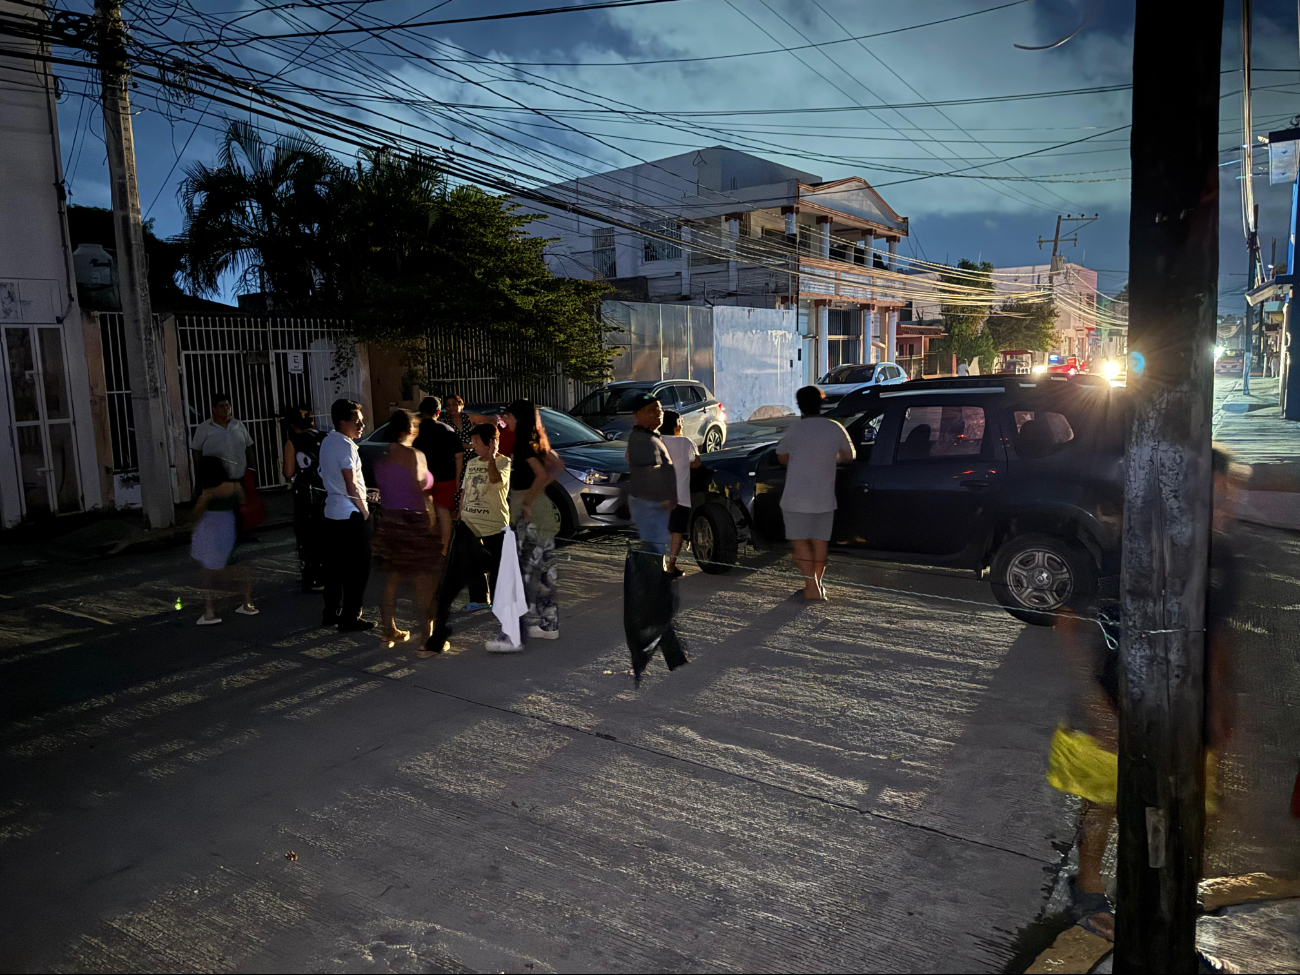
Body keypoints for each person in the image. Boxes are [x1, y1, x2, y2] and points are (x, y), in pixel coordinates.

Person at [432, 423, 516, 652]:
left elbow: (497, 483)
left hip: (494, 524)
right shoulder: (470, 463)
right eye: (474, 442)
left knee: (499, 566)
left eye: (478, 442)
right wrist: (460, 511)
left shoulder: (504, 462)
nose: (474, 446)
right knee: (467, 562)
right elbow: (467, 489)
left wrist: (491, 457)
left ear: (491, 442)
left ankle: (503, 606)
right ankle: (479, 598)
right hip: (469, 521)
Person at [372, 409, 444, 653]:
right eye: (415, 426)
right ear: (408, 430)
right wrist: (432, 523)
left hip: (390, 522)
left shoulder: (381, 461)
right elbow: (419, 490)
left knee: (392, 578)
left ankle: (388, 630)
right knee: (425, 580)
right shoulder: (415, 455)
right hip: (415, 520)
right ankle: (427, 640)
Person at [776, 386, 854, 601]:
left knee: (800, 540)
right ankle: (817, 585)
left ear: (799, 405)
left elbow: (781, 456)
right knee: (820, 541)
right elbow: (849, 455)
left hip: (795, 496)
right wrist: (829, 458)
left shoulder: (795, 430)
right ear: (822, 403)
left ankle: (812, 587)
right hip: (824, 496)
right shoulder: (834, 427)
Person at [505, 400, 564, 643]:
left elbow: (541, 473)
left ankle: (524, 625)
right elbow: (557, 466)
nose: (504, 420)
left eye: (507, 416)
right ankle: (549, 624)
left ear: (517, 417)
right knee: (545, 570)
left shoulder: (522, 444)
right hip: (543, 509)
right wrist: (538, 491)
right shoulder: (536, 440)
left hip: (528, 511)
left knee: (526, 571)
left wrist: (528, 499)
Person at [319, 398, 375, 632]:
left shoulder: (328, 442)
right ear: (343, 422)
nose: (361, 426)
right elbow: (350, 484)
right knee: (357, 569)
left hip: (332, 512)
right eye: (357, 422)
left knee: (334, 567)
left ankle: (331, 612)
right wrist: (364, 511)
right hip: (350, 513)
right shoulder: (345, 446)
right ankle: (350, 616)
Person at [190, 456, 257, 625]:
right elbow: (242, 501)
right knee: (237, 566)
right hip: (230, 526)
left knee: (209, 572)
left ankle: (210, 611)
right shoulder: (235, 486)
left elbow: (197, 512)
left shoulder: (208, 492)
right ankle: (248, 603)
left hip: (210, 528)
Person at [282, 405, 327, 592]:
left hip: (306, 495)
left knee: (307, 535)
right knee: (326, 533)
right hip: (326, 492)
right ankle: (328, 573)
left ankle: (313, 578)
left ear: (292, 425)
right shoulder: (325, 437)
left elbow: (289, 471)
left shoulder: (293, 442)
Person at [625, 393, 676, 556]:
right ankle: (652, 579)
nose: (658, 413)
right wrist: (666, 499)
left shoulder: (650, 437)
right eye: (651, 410)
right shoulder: (641, 440)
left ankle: (656, 578)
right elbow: (648, 474)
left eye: (659, 409)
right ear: (638, 415)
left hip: (654, 504)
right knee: (654, 552)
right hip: (650, 505)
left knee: (657, 549)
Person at [414, 396, 464, 555]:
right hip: (446, 478)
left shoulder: (415, 431)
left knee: (427, 513)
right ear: (438, 411)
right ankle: (445, 547)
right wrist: (457, 479)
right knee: (443, 513)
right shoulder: (447, 430)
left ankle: (429, 547)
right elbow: (459, 456)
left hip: (423, 479)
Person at [659, 409, 701, 578]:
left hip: (658, 496)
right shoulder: (685, 442)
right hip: (681, 497)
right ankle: (671, 566)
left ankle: (658, 564)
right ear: (676, 425)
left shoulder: (655, 441)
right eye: (681, 422)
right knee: (677, 532)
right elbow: (696, 462)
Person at [191, 391, 255, 484]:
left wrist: (252, 469)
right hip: (216, 480)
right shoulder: (204, 428)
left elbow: (248, 448)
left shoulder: (238, 425)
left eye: (227, 405)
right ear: (214, 409)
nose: (225, 409)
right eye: (221, 406)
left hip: (240, 476)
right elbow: (196, 452)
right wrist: (200, 475)